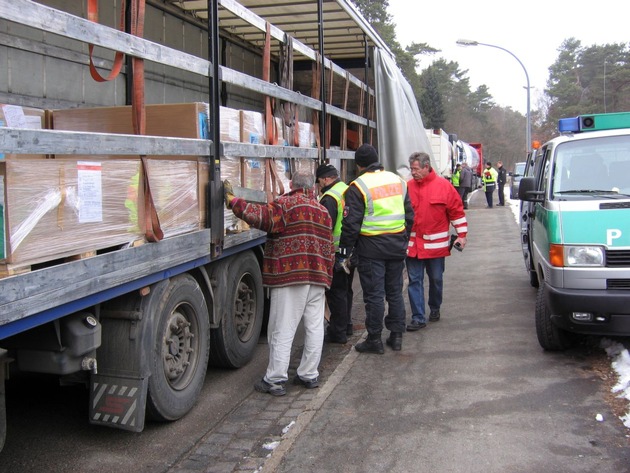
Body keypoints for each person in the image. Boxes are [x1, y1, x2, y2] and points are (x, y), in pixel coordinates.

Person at [224, 171, 334, 396]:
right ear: (312, 186)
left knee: (282, 329)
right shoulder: (323, 211)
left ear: (292, 184)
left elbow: (260, 217)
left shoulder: (286, 205)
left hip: (290, 276)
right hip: (318, 276)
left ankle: (275, 379)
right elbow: (329, 246)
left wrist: (233, 201)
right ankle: (309, 374)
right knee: (314, 327)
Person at [338, 144, 414, 353]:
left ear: (359, 164)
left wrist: (344, 252)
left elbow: (351, 225)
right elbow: (409, 215)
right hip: (396, 246)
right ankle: (396, 336)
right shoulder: (398, 181)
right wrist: (403, 239)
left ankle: (374, 339)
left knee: (374, 295)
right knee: (395, 292)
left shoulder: (358, 186)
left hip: (371, 249)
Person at [405, 152, 467, 331]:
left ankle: (434, 307)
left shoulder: (444, 187)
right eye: (411, 169)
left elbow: (456, 212)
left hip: (436, 248)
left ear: (426, 167)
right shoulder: (407, 187)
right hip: (414, 247)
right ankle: (418, 317)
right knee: (414, 281)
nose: (413, 172)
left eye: (416, 169)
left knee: (436, 279)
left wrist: (462, 235)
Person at [316, 163, 355, 344]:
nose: (319, 186)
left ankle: (337, 332)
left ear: (325, 179)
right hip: (350, 250)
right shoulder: (346, 189)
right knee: (346, 290)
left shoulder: (329, 198)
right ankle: (346, 325)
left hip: (336, 252)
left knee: (336, 293)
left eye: (319, 182)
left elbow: (325, 228)